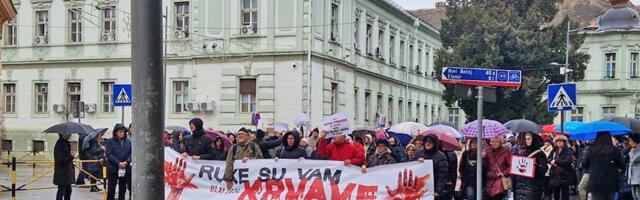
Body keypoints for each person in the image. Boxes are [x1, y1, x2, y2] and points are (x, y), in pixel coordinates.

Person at [584, 132, 625, 200]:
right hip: (611, 183)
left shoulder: (591, 150)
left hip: (595, 182)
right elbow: (622, 166)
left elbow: (585, 164)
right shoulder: (614, 150)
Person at [512, 133, 548, 200]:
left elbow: (544, 169)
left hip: (532, 185)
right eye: (525, 139)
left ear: (533, 140)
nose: (527, 141)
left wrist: (536, 166)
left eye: (529, 139)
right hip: (520, 184)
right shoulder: (522, 152)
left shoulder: (539, 153)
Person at [415, 135, 449, 199]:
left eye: (430, 142)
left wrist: (438, 191)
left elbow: (442, 176)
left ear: (434, 143)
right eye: (426, 141)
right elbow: (411, 167)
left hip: (433, 190)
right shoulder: (418, 153)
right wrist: (416, 161)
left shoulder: (441, 156)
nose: (427, 143)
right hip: (419, 188)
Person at [106, 123, 132, 200]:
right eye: (120, 131)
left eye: (123, 131)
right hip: (113, 168)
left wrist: (126, 162)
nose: (122, 133)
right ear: (116, 132)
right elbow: (109, 154)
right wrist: (118, 162)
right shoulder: (110, 141)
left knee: (123, 189)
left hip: (124, 168)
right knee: (111, 189)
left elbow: (131, 153)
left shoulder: (128, 142)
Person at [547, 135, 575, 200]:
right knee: (555, 193)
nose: (559, 142)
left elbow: (567, 161)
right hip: (555, 174)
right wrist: (551, 161)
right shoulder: (554, 150)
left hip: (564, 174)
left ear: (564, 142)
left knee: (565, 193)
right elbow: (549, 158)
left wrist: (556, 161)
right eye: (557, 141)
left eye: (561, 141)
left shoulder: (568, 151)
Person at [484, 136, 511, 200]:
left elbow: (511, 166)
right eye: (492, 141)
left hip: (500, 181)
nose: (494, 143)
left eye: (496, 142)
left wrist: (504, 173)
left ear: (500, 143)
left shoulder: (506, 152)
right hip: (488, 181)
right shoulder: (488, 152)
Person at [54, 133, 75, 200]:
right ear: (64, 134)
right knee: (61, 192)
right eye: (69, 134)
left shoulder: (64, 143)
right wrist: (71, 156)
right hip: (62, 173)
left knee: (68, 191)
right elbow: (61, 158)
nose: (70, 135)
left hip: (66, 173)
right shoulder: (60, 144)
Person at [628, 134, 640, 200]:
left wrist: (632, 151)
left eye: (630, 141)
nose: (629, 143)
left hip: (638, 178)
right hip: (633, 177)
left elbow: (633, 160)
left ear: (635, 141)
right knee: (634, 196)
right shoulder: (634, 150)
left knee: (638, 195)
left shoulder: (636, 150)